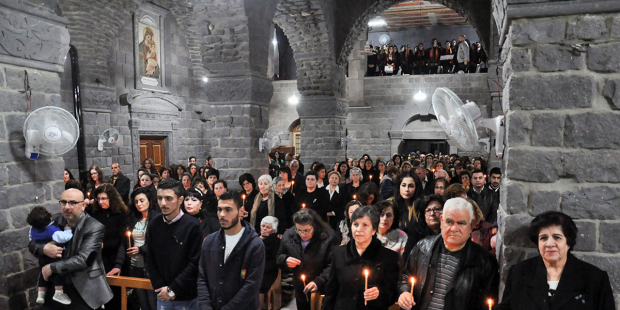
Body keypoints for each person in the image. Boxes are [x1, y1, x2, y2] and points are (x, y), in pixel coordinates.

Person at [497, 211, 615, 310]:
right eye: (543, 238)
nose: (549, 244)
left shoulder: (595, 278)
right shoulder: (519, 273)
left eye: (557, 237)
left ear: (568, 242)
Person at [398, 197, 498, 310]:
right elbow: (406, 277)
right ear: (441, 221)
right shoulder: (423, 247)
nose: (454, 229)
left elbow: (488, 302)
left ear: (471, 225)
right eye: (449, 222)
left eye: (461, 223)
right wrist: (405, 293)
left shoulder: (484, 261)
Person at [30, 188, 113, 309]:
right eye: (63, 202)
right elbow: (32, 243)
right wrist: (44, 249)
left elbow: (84, 259)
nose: (66, 207)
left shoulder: (94, 226)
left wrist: (52, 267)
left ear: (83, 205)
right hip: (57, 286)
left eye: (72, 203)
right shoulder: (54, 220)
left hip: (83, 287)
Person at [197, 190, 266, 310]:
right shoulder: (209, 241)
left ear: (240, 211)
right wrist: (205, 306)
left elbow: (251, 286)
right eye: (219, 210)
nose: (222, 214)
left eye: (228, 210)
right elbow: (202, 277)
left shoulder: (254, 244)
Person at [322, 206, 399, 310]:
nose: (359, 230)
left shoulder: (388, 257)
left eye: (365, 225)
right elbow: (331, 291)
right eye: (356, 224)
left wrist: (379, 293)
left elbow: (392, 292)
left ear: (374, 230)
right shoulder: (338, 253)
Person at [146, 179, 202, 309]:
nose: (163, 203)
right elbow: (150, 257)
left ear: (180, 200)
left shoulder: (192, 225)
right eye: (159, 198)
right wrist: (160, 287)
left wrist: (173, 289)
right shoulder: (155, 223)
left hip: (186, 296)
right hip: (162, 295)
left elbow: (195, 263)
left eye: (168, 198)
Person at [277, 208, 337, 310]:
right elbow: (279, 256)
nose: (303, 234)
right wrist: (285, 260)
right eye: (299, 230)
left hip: (324, 286)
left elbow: (333, 264)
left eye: (307, 230)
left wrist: (319, 281)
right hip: (301, 285)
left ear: (314, 226)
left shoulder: (329, 237)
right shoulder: (289, 235)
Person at [91, 184, 129, 310]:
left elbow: (122, 240)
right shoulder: (96, 212)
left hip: (114, 258)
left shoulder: (120, 213)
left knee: (114, 296)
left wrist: (118, 263)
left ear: (111, 198)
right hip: (98, 259)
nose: (101, 202)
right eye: (99, 199)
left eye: (104, 199)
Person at [27, 206, 73, 305]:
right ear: (50, 218)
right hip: (56, 256)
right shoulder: (53, 231)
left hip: (42, 258)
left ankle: (40, 293)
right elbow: (65, 237)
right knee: (58, 273)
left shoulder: (32, 229)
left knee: (42, 273)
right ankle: (59, 292)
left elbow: (31, 240)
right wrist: (68, 229)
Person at [123, 187, 160, 310]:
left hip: (150, 266)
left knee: (152, 301)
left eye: (142, 200)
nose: (139, 204)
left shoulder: (156, 219)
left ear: (149, 200)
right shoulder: (133, 218)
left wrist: (140, 250)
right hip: (135, 265)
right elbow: (125, 242)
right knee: (142, 303)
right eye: (136, 201)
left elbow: (157, 243)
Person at [401, 194, 445, 262]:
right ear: (423, 215)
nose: (432, 213)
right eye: (428, 210)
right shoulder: (416, 232)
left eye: (437, 209)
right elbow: (407, 259)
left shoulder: (449, 231)